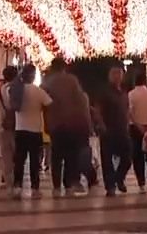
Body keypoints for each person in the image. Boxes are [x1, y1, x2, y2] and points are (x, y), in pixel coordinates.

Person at [41, 57, 91, 197]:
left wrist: (46, 123)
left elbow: (44, 105)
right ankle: (68, 185)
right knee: (71, 155)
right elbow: (80, 101)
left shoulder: (46, 83)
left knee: (56, 156)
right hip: (71, 122)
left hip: (55, 123)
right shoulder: (72, 80)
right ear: (64, 67)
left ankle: (56, 187)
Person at [10, 63, 52, 199]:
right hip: (35, 130)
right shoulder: (37, 91)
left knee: (19, 161)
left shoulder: (16, 89)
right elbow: (49, 104)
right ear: (33, 76)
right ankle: (35, 189)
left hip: (20, 129)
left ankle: (17, 187)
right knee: (35, 161)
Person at [95, 64, 132, 196]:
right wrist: (101, 124)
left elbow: (127, 110)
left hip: (122, 129)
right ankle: (110, 186)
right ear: (110, 76)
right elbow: (98, 110)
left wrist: (128, 123)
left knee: (128, 157)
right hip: (108, 129)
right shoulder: (104, 92)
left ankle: (118, 178)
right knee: (107, 159)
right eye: (114, 74)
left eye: (119, 74)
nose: (117, 77)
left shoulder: (123, 92)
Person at [0, 65, 18, 189]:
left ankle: (8, 181)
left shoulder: (0, 90)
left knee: (6, 156)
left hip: (3, 125)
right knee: (17, 154)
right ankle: (16, 181)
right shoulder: (19, 89)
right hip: (17, 126)